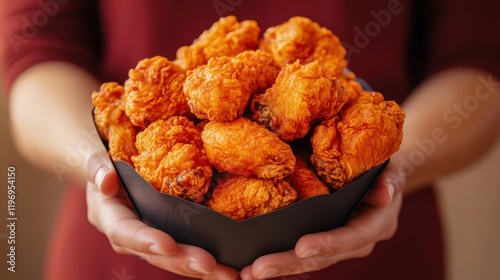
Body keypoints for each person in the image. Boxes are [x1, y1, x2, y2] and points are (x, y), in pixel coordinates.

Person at [1, 0, 499, 279]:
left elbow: (480, 65)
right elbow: (33, 51)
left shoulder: (292, 95)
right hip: (121, 258)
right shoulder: (195, 111)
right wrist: (94, 164)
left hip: (375, 251)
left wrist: (394, 168)